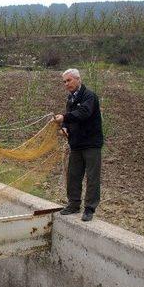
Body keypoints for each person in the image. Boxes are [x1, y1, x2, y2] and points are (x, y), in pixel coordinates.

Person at [52, 68, 103, 222]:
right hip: (76, 144)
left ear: (78, 79)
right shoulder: (70, 99)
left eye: (69, 80)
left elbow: (84, 113)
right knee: (73, 175)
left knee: (92, 177)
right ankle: (73, 204)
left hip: (91, 144)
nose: (66, 84)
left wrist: (64, 117)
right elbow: (69, 121)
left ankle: (89, 209)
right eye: (64, 82)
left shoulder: (89, 96)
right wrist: (65, 128)